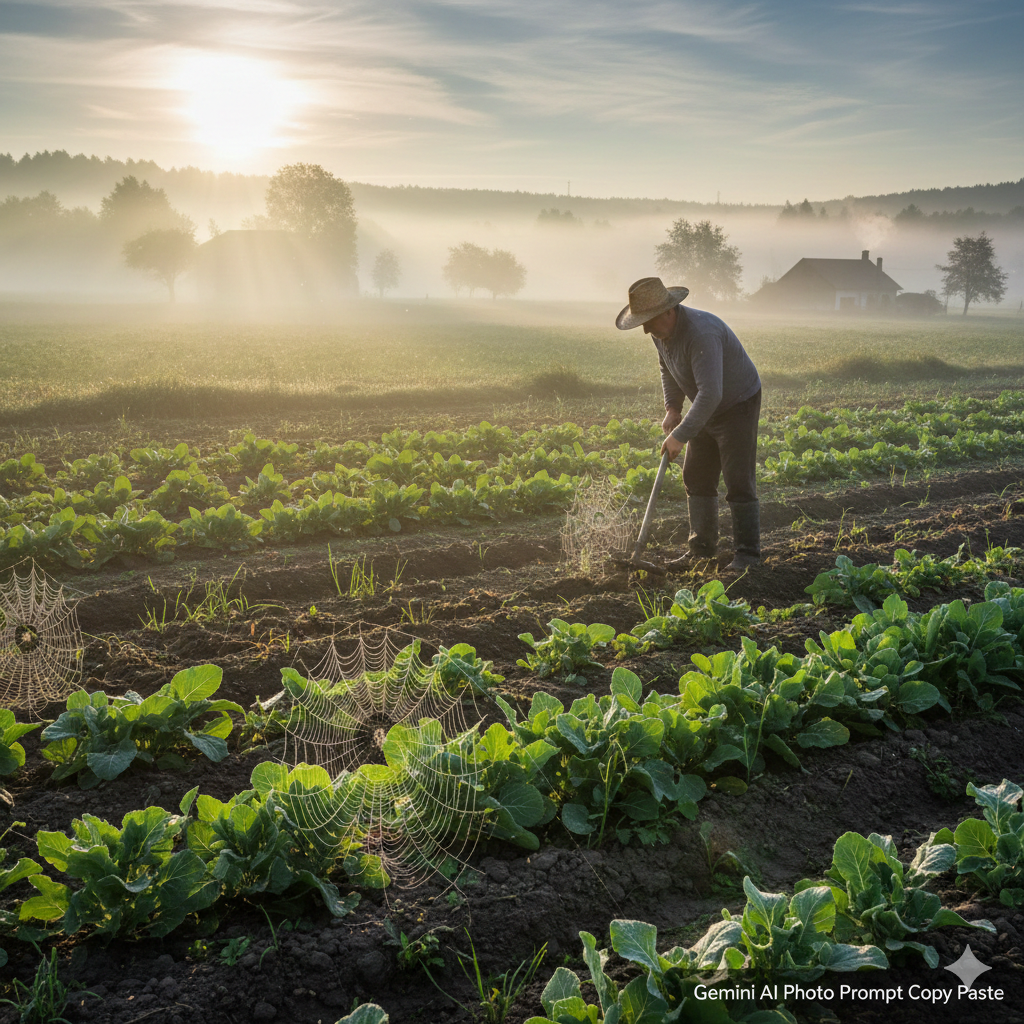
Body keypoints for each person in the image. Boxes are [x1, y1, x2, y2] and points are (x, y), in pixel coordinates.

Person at [615, 276, 762, 569]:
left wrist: (680, 435)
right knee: (696, 475)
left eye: (649, 321)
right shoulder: (662, 334)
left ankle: (748, 555)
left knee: (737, 479)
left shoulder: (701, 333)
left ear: (669, 312)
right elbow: (667, 367)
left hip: (736, 404)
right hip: (707, 403)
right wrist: (673, 407)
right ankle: (702, 549)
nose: (646, 331)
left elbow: (712, 393)